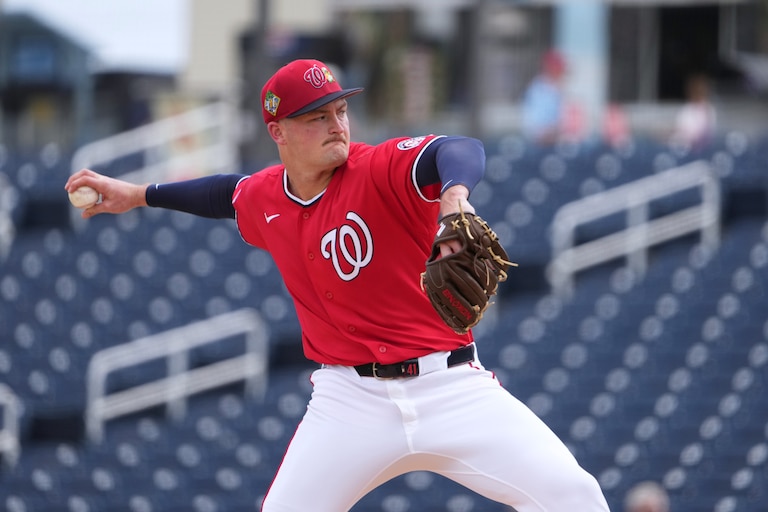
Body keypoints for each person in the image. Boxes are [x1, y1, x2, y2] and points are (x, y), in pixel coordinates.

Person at [66, 59, 610, 511]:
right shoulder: (265, 197)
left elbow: (458, 148)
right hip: (349, 400)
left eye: (340, 110)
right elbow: (221, 195)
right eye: (315, 117)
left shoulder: (377, 169)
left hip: (450, 386)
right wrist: (138, 194)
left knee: (575, 496)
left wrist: (454, 195)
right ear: (277, 132)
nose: (337, 125)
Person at [521, 50, 568, 145]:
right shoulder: (536, 90)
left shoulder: (560, 90)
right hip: (538, 145)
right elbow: (530, 125)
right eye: (555, 69)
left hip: (558, 142)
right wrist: (549, 132)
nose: (559, 73)